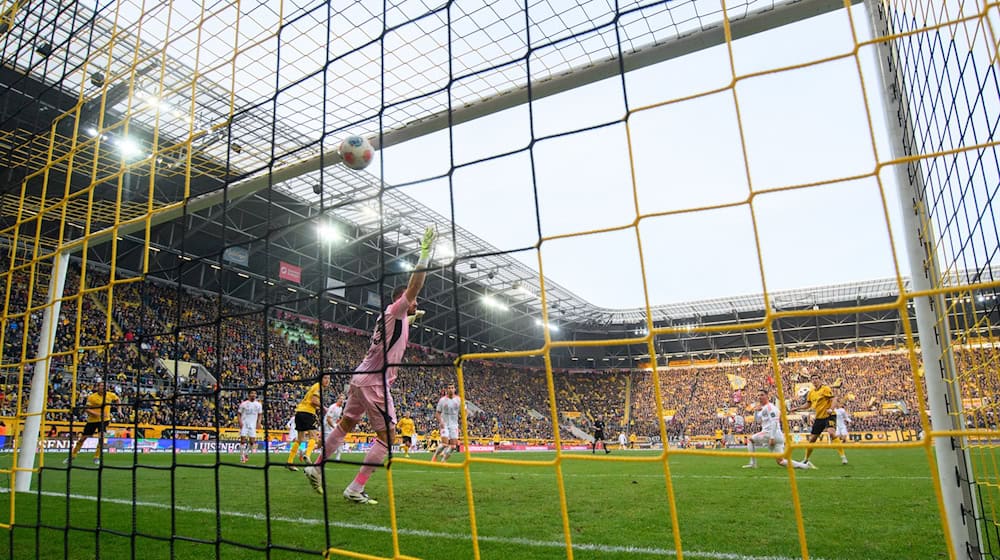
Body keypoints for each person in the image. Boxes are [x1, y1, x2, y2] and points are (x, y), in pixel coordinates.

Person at [304, 226, 436, 504]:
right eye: (413, 302)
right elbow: (415, 287)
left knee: (346, 424)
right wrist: (425, 255)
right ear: (403, 300)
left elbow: (402, 326)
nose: (416, 303)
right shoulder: (398, 309)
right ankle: (354, 489)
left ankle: (315, 466)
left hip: (360, 377)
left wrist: (413, 317)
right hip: (376, 381)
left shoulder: (391, 317)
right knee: (389, 438)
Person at [743, 389, 812, 469]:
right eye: (758, 395)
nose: (759, 397)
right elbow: (757, 420)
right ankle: (805, 466)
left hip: (770, 433)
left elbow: (774, 421)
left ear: (767, 396)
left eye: (762, 395)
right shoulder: (764, 408)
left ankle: (753, 464)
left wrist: (772, 437)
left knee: (750, 440)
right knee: (781, 461)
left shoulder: (770, 407)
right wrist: (756, 411)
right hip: (777, 435)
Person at [789, 373, 839, 467]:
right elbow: (807, 405)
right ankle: (806, 459)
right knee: (812, 439)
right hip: (819, 418)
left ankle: (843, 456)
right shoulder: (811, 393)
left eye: (816, 378)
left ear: (820, 379)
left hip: (829, 415)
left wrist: (831, 409)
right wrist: (797, 408)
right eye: (813, 379)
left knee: (831, 432)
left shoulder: (825, 389)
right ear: (812, 381)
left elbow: (834, 399)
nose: (815, 380)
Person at [66, 381, 120, 465]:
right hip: (92, 421)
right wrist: (98, 414)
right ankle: (73, 455)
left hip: (104, 420)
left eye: (105, 386)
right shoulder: (92, 397)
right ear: (98, 387)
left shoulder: (110, 395)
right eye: (102, 386)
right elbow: (87, 409)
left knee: (101, 438)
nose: (104, 387)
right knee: (83, 438)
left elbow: (117, 399)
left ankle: (96, 457)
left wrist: (119, 410)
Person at [287, 373, 330, 471]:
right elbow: (314, 401)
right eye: (325, 378)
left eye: (329, 378)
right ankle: (307, 455)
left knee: (300, 439)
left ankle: (290, 462)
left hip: (299, 412)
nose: (327, 380)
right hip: (308, 412)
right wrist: (324, 407)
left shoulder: (315, 387)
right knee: (314, 437)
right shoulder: (318, 387)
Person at [431, 384, 462, 463]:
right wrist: (440, 421)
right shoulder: (442, 400)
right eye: (449, 388)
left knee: (453, 446)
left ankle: (443, 460)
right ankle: (434, 456)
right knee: (444, 444)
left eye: (452, 388)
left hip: (454, 425)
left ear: (454, 389)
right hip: (444, 423)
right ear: (446, 390)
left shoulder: (459, 400)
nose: (450, 389)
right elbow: (437, 413)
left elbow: (464, 411)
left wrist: (463, 420)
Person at [237, 390, 263, 463]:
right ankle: (242, 456)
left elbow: (260, 414)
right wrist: (240, 422)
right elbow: (238, 413)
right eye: (252, 393)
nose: (253, 394)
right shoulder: (244, 404)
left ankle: (246, 453)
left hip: (253, 425)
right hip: (244, 424)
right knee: (243, 440)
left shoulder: (258, 405)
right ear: (249, 395)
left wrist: (259, 422)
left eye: (255, 393)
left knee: (252, 442)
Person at [324, 394, 346, 461]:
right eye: (341, 399)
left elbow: (336, 419)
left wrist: (338, 425)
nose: (342, 400)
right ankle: (304, 452)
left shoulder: (340, 408)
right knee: (325, 443)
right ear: (337, 399)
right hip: (327, 426)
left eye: (343, 399)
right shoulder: (333, 407)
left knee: (341, 440)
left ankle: (338, 456)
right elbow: (328, 419)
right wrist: (334, 427)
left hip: (333, 425)